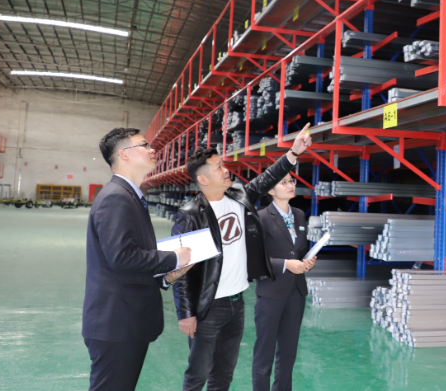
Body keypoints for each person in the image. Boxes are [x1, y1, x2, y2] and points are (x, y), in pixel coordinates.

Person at [172, 124, 313, 391]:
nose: (226, 170)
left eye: (223, 165)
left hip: (236, 304)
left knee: (224, 374)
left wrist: (293, 153)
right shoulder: (191, 215)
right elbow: (182, 268)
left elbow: (267, 178)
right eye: (218, 167)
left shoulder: (238, 197)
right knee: (198, 374)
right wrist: (186, 313)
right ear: (203, 179)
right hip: (208, 307)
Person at [82, 128, 193, 391]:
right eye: (144, 145)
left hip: (125, 321)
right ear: (124, 154)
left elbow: (125, 259)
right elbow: (122, 257)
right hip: (116, 323)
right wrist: (173, 258)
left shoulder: (130, 196)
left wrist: (165, 278)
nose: (152, 149)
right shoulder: (116, 198)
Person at [252, 174, 316, 391]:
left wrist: (307, 261)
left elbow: (299, 250)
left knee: (288, 354)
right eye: (284, 182)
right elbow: (255, 259)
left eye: (292, 181)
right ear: (270, 190)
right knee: (264, 354)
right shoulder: (261, 217)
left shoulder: (299, 215)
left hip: (296, 292)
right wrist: (286, 264)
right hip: (271, 294)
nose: (290, 185)